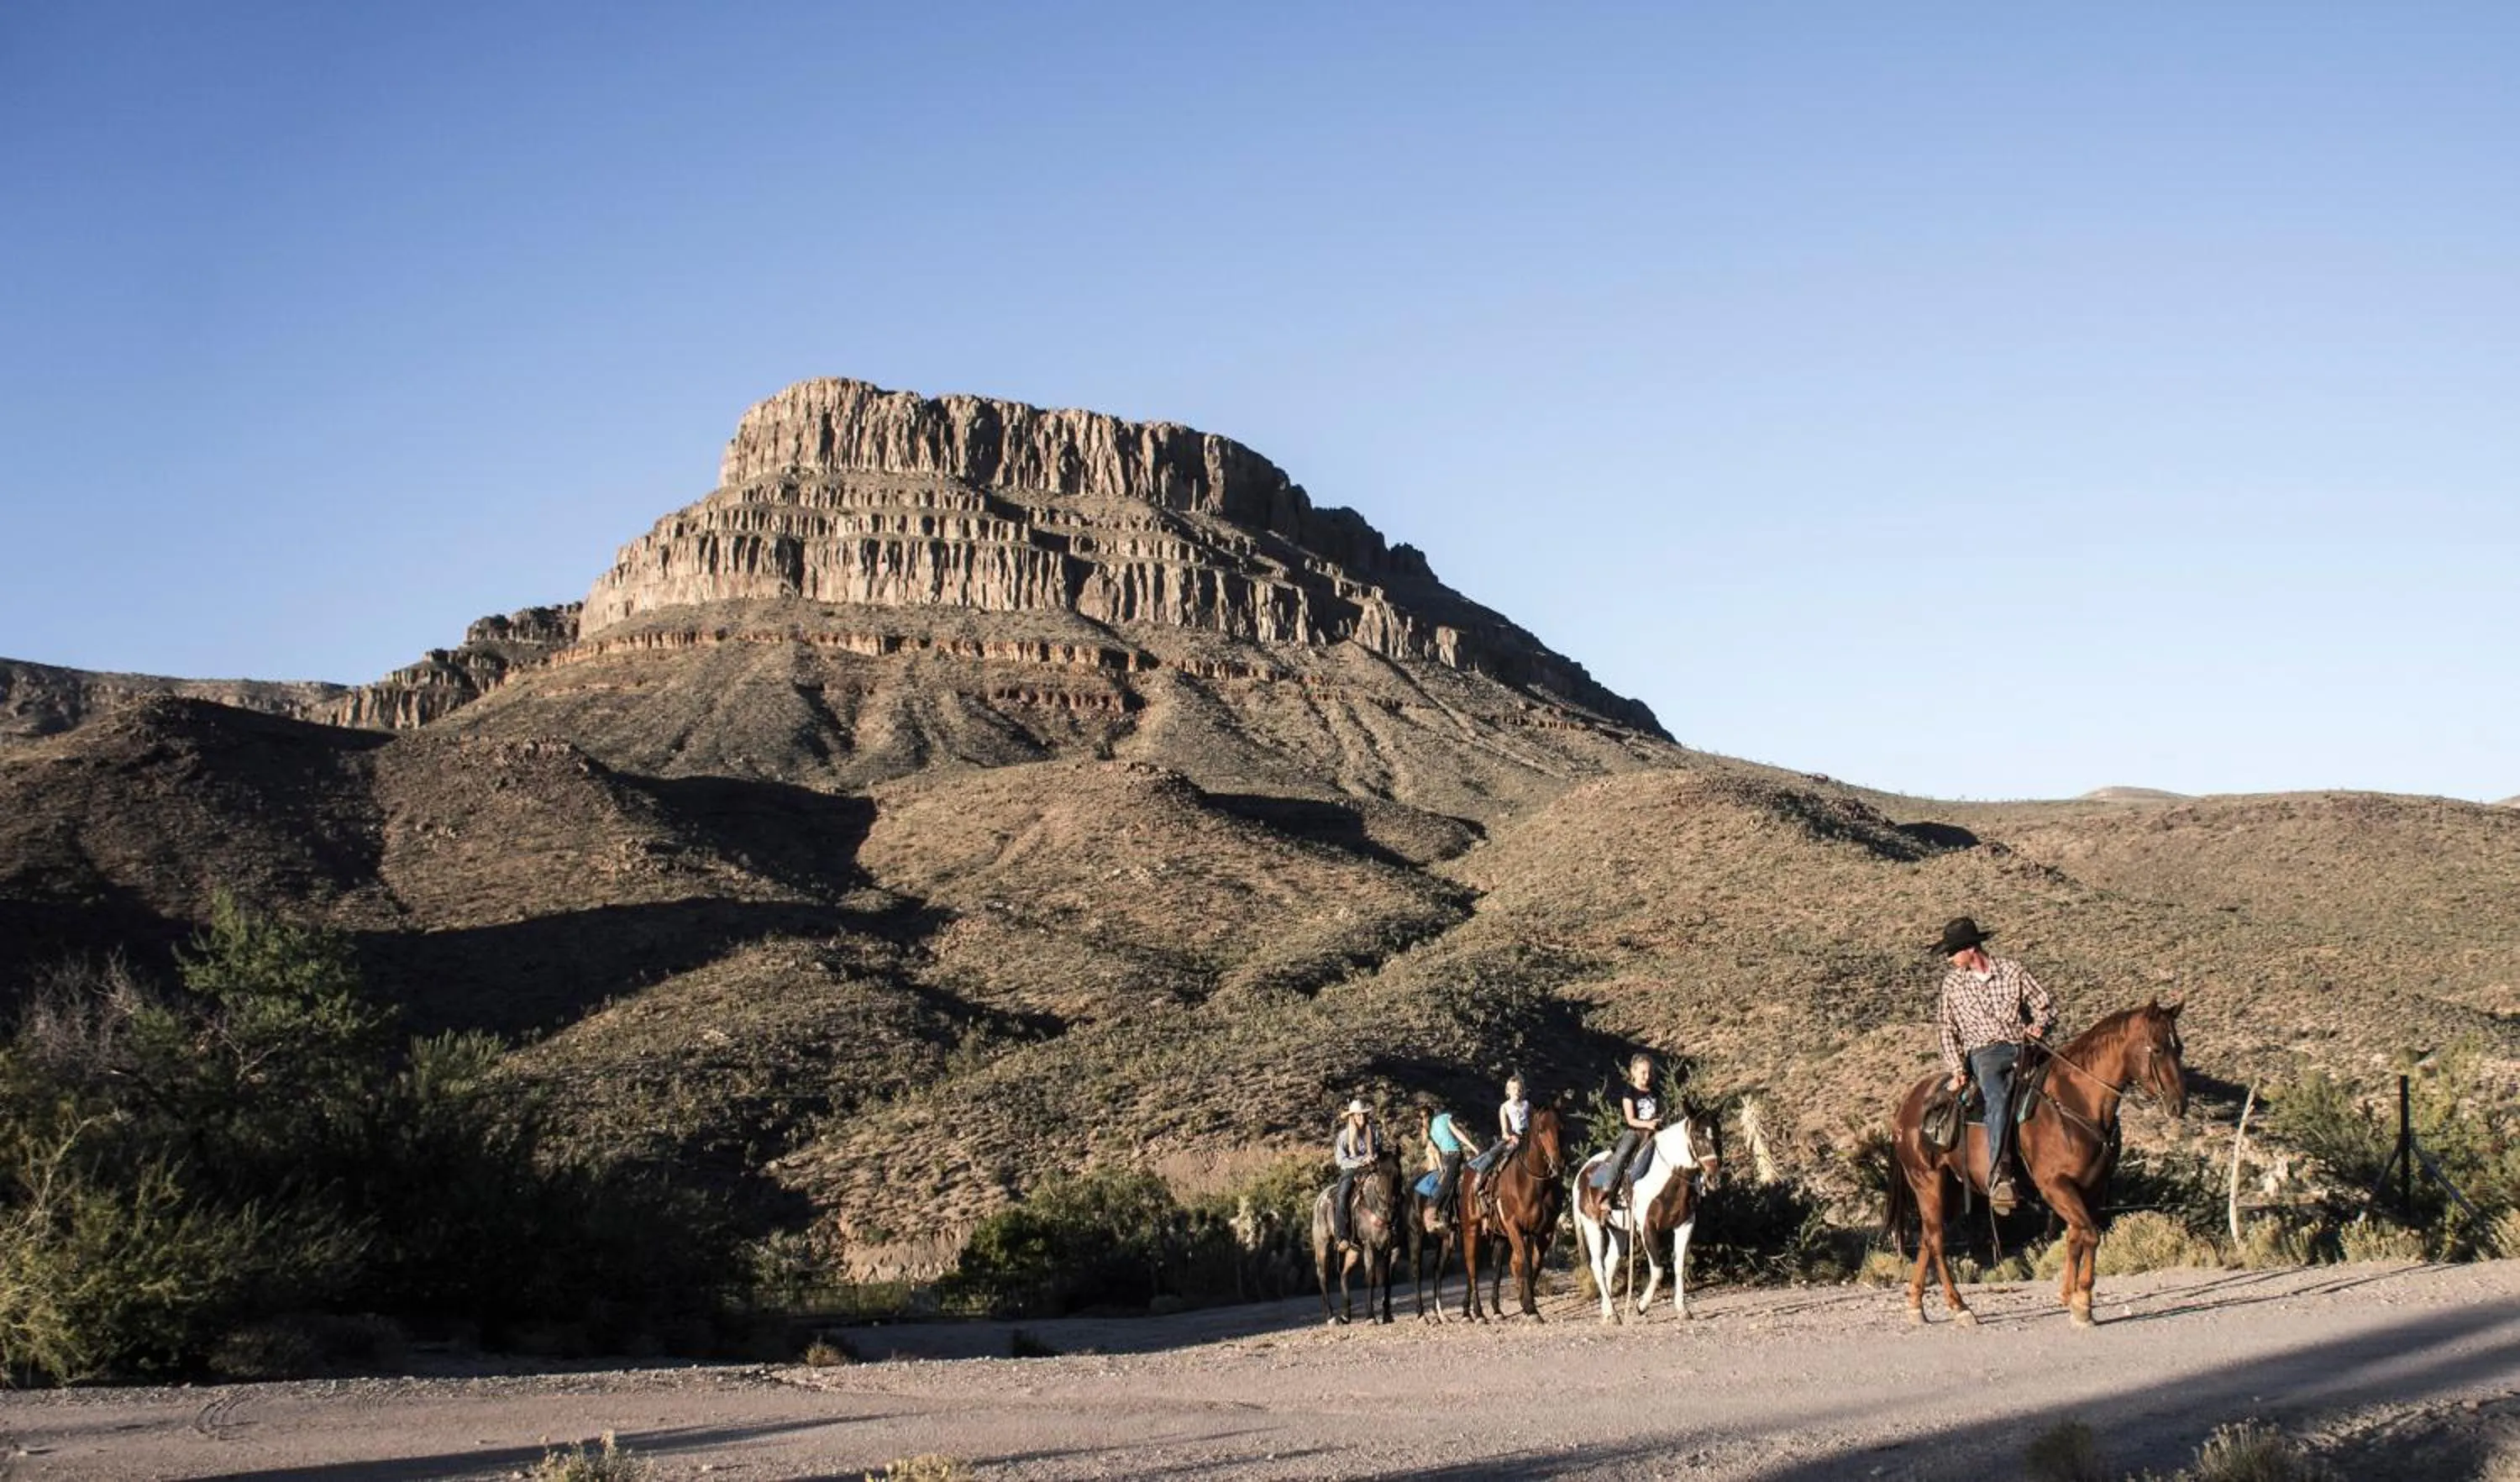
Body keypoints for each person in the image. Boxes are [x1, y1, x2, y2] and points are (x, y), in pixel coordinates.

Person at [1934, 916, 2058, 1212]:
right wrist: (1958, 1068)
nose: (1950, 958)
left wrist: (2040, 1026)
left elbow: (2045, 1004)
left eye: (1953, 952)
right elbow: (1946, 1029)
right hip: (1985, 1053)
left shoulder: (2013, 971)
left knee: (2062, 1084)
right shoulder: (1953, 984)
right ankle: (1999, 1173)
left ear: (1970, 949)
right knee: (1998, 1096)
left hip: (2023, 1045)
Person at [1589, 1054, 1663, 1205]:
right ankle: (1607, 1192)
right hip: (1636, 1132)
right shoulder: (1629, 1093)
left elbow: (1661, 1110)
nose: (1647, 1076)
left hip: (1655, 1132)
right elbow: (1631, 1119)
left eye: (1650, 1073)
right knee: (1621, 1155)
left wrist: (1660, 1121)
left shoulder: (1656, 1093)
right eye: (1643, 1072)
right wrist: (1648, 1124)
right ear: (1633, 1072)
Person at [1418, 1096, 1482, 1220]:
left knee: (1447, 1182)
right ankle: (1447, 1212)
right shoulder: (1428, 1131)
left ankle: (1433, 1210)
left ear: (1431, 1114)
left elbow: (1457, 1133)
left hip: (1454, 1154)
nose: (1424, 1119)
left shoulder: (1443, 1118)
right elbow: (1428, 1148)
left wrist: (1473, 1147)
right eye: (1421, 1118)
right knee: (1434, 1182)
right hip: (1444, 1157)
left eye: (1425, 1116)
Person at [1331, 1098, 1382, 1243]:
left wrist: (1373, 1157)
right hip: (1351, 1170)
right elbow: (1341, 1160)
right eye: (1358, 1115)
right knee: (1342, 1194)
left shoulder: (1374, 1132)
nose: (1361, 1117)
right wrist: (1360, 1161)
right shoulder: (1344, 1136)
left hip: (1372, 1168)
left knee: (1391, 1187)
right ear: (1352, 1117)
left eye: (1363, 1114)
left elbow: (1379, 1150)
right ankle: (1342, 1235)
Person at [1470, 1073, 1530, 1177]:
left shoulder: (1527, 1105)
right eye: (1514, 1088)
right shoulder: (1505, 1107)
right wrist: (1512, 1137)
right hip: (1513, 1137)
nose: (1517, 1091)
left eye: (1520, 1089)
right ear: (1508, 1091)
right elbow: (1504, 1132)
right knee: (1494, 1153)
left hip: (1528, 1137)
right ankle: (1480, 1175)